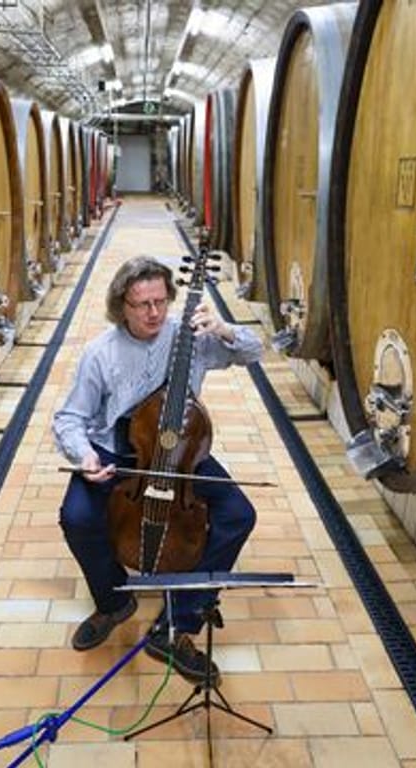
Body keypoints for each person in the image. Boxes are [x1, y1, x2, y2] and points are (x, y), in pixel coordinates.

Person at [53, 255, 262, 684]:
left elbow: (254, 352)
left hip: (181, 453)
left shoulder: (191, 337)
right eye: (141, 304)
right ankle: (113, 601)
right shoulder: (100, 353)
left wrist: (223, 329)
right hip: (118, 451)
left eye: (160, 302)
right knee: (76, 517)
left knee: (240, 515)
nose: (153, 313)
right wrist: (84, 457)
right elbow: (69, 418)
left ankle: (177, 624)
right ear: (121, 307)